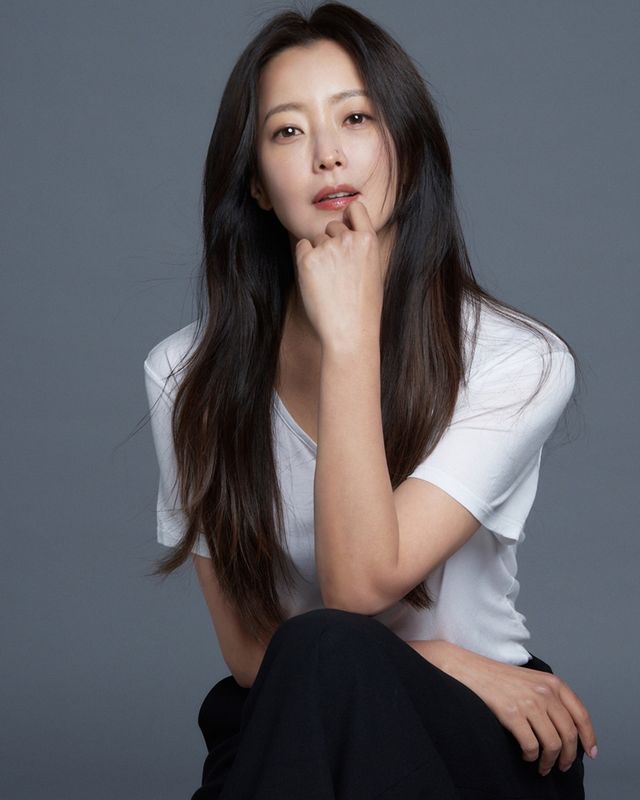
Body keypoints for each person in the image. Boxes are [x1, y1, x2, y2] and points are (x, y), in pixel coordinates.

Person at [143, 3, 598, 798]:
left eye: (355, 118)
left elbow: (359, 585)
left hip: (469, 735)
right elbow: (250, 653)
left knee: (326, 648)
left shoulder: (518, 360)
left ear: (406, 150)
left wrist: (350, 339)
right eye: (287, 131)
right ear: (257, 184)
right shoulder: (186, 376)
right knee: (318, 658)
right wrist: (442, 656)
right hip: (288, 719)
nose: (326, 154)